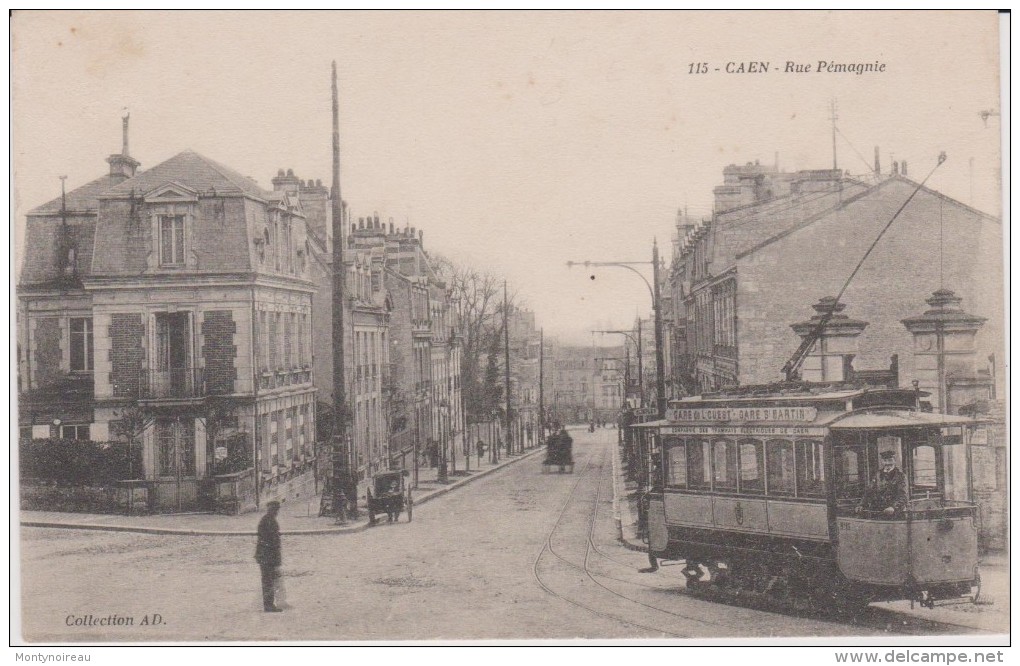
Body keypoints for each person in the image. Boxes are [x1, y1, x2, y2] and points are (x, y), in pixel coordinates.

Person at [255, 500, 283, 612]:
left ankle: (269, 604)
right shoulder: (268, 521)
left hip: (266, 554)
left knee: (268, 580)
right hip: (267, 555)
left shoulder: (268, 520)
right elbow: (270, 540)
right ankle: (268, 605)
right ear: (272, 510)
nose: (277, 512)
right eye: (275, 509)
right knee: (268, 580)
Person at [861, 450, 909, 515]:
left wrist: (893, 507)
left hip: (896, 512)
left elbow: (903, 495)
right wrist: (861, 504)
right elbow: (869, 491)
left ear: (894, 461)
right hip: (879, 510)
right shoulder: (877, 475)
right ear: (882, 461)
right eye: (885, 461)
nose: (887, 463)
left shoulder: (901, 476)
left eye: (890, 460)